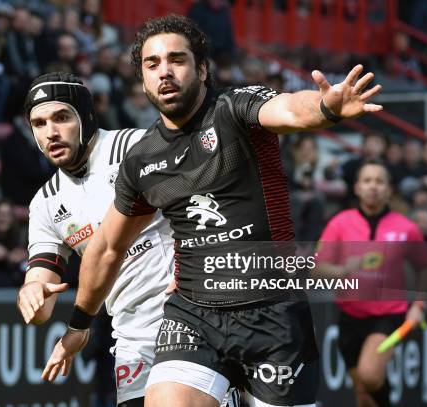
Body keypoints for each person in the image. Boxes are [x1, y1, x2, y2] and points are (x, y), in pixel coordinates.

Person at [42, 15, 384, 407]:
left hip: (272, 312)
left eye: (177, 60)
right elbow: (106, 249)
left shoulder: (235, 109)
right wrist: (79, 325)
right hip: (194, 315)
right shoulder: (142, 161)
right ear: (141, 78)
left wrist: (325, 107)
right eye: (151, 65)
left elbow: (289, 110)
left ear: (202, 68)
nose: (164, 72)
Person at [16, 72, 176, 407]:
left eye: (61, 118)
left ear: (86, 117)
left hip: (191, 318)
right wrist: (32, 292)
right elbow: (42, 300)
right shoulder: (46, 202)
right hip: (133, 340)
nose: (51, 133)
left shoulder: (136, 146)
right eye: (39, 123)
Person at [317, 161, 427, 407]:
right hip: (349, 316)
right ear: (357, 187)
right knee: (363, 394)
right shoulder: (340, 223)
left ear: (389, 189)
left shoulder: (407, 228)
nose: (373, 187)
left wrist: (418, 305)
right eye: (367, 181)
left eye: (380, 181)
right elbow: (318, 268)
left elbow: (424, 267)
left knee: (369, 375)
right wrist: (343, 269)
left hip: (388, 317)